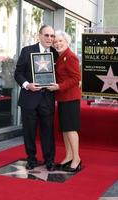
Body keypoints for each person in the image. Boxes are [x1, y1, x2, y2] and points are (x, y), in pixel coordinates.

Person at [14, 25, 58, 171]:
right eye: (47, 35)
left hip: (47, 98)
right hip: (29, 98)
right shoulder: (27, 50)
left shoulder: (55, 53)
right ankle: (31, 159)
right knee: (29, 132)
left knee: (48, 132)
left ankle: (49, 160)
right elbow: (18, 73)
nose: (50, 39)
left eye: (52, 36)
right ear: (39, 35)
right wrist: (27, 85)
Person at [47, 30, 82, 172]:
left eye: (60, 41)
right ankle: (69, 156)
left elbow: (75, 79)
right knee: (65, 129)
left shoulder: (71, 57)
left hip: (71, 98)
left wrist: (59, 86)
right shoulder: (61, 56)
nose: (57, 44)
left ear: (67, 42)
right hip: (63, 98)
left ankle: (77, 159)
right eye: (55, 42)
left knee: (71, 129)